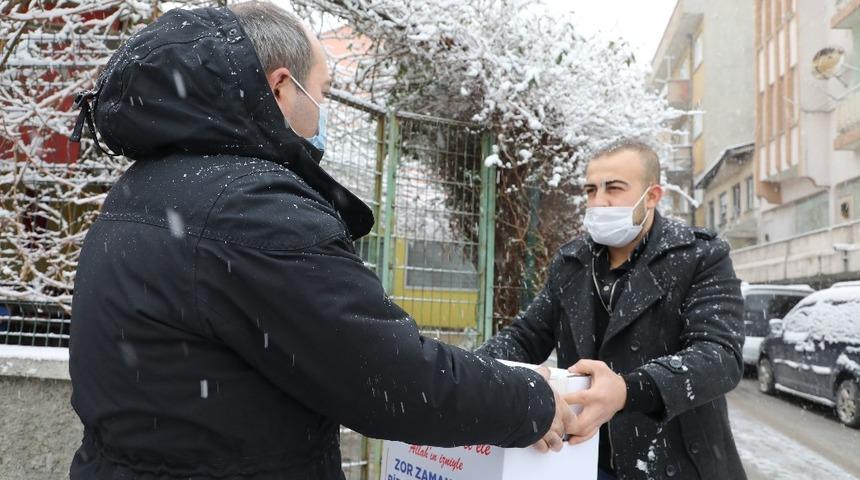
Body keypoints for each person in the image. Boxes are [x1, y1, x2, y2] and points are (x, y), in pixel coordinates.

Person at [67, 3, 576, 479]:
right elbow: (389, 379)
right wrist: (532, 401)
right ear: (282, 87)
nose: (324, 109)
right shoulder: (251, 210)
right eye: (324, 91)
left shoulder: (146, 186)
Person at [477, 140, 747, 479]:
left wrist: (628, 390)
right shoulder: (572, 263)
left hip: (677, 463)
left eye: (614, 188)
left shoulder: (700, 256)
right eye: (590, 190)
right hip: (583, 459)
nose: (598, 202)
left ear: (652, 195)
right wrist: (475, 376)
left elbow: (719, 356)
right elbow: (525, 336)